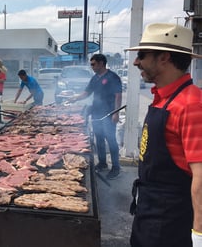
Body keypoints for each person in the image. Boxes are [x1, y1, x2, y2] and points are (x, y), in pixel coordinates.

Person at [126, 23, 202, 247]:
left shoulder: (191, 104)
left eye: (142, 55)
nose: (136, 61)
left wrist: (198, 235)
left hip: (172, 223)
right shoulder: (164, 98)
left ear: (164, 58)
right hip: (149, 211)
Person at [69, 54, 122, 180]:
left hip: (109, 113)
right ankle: (102, 163)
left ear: (101, 63)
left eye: (93, 64)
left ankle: (116, 167)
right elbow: (87, 92)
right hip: (97, 113)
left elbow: (118, 96)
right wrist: (75, 98)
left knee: (111, 140)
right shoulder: (95, 78)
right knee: (99, 139)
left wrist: (116, 113)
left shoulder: (113, 77)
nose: (91, 66)